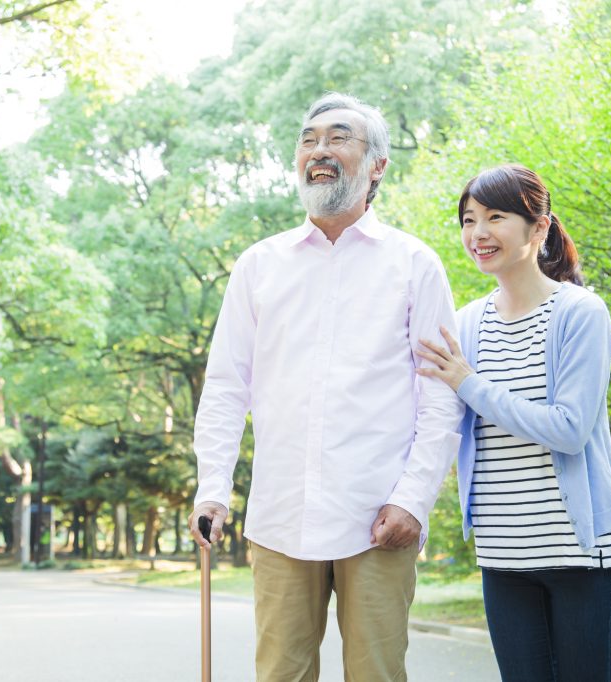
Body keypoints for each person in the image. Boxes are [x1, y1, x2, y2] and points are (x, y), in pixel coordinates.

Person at [189, 92, 464, 681]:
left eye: (339, 137)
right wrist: (213, 486)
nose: (319, 150)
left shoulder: (415, 265)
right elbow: (225, 386)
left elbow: (440, 398)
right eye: (309, 140)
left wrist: (414, 498)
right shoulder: (259, 265)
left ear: (377, 165)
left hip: (378, 519)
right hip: (281, 516)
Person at [415, 164, 611, 682]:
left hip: (584, 558)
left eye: (495, 217)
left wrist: (471, 384)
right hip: (502, 557)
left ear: (539, 227)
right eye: (468, 220)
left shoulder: (580, 313)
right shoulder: (465, 323)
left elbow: (569, 428)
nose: (478, 234)